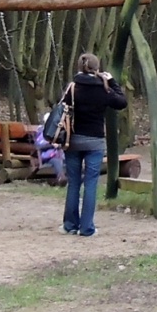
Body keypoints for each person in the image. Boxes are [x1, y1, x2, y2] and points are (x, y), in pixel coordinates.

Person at [59, 53, 127, 237]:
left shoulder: (72, 88)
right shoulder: (104, 88)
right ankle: (87, 228)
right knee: (91, 183)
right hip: (95, 142)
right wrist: (112, 82)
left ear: (79, 67)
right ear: (97, 68)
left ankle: (70, 225)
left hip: (72, 141)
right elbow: (122, 102)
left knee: (74, 183)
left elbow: (61, 108)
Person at [33, 113, 66, 185]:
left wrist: (60, 144)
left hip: (60, 154)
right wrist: (52, 145)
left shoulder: (57, 131)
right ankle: (61, 177)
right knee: (56, 161)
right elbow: (39, 145)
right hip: (47, 156)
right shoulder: (42, 132)